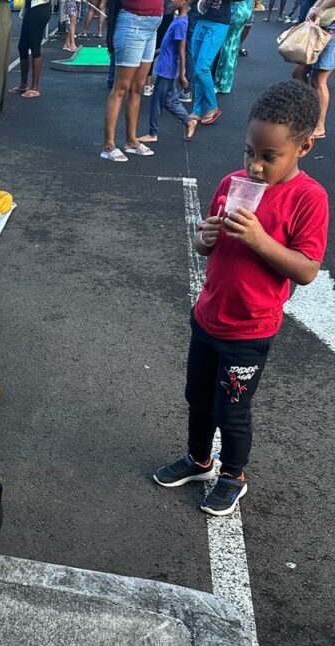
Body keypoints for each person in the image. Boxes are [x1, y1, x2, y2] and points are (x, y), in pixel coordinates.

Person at [154, 81, 328, 516]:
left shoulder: (309, 198)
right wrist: (205, 237)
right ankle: (199, 459)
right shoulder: (232, 182)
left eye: (269, 156)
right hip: (209, 316)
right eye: (250, 152)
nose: (255, 166)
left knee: (231, 410)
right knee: (197, 397)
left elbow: (306, 269)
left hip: (250, 330)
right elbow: (203, 245)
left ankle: (233, 475)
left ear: (303, 147)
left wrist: (260, 239)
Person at [101, 0, 163, 159]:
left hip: (152, 24)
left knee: (137, 88)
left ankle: (131, 141)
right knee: (121, 88)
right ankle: (109, 145)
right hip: (133, 22)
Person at [139, 0, 197, 140]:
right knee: (170, 100)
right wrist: (155, 53)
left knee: (157, 100)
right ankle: (189, 122)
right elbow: (169, 45)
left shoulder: (181, 23)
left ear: (184, 2)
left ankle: (153, 133)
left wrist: (182, 74)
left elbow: (181, 50)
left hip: (168, 68)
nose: (172, 0)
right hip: (167, 65)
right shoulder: (179, 20)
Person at [293, 0, 335, 138]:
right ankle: (308, 112)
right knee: (298, 73)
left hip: (331, 27)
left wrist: (320, 8)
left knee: (319, 80)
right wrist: (315, 7)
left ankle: (319, 126)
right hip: (320, 25)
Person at [189, 0, 231, 125]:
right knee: (197, 68)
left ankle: (212, 107)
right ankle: (196, 110)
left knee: (202, 69)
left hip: (218, 22)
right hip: (201, 20)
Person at [10, 0, 52, 99]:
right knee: (22, 47)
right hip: (31, 8)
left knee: (35, 46)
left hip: (40, 8)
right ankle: (23, 85)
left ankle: (35, 88)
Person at [214, 0, 253, 94]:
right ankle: (225, 83)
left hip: (236, 8)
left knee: (227, 45)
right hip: (246, 6)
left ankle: (220, 82)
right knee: (232, 44)